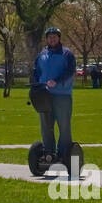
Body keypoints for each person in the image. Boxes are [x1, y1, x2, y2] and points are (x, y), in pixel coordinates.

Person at [33, 26, 77, 167]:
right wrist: (36, 84)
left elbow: (70, 72)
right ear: (47, 39)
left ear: (59, 38)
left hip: (62, 95)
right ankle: (49, 154)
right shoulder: (42, 55)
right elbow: (36, 72)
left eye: (54, 36)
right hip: (44, 95)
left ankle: (64, 154)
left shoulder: (67, 54)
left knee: (63, 126)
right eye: (49, 37)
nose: (52, 39)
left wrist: (57, 81)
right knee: (46, 126)